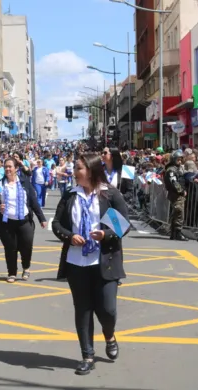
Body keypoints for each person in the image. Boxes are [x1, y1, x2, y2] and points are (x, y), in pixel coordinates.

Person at [51, 153, 128, 375]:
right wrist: (69, 236)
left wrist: (105, 234)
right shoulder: (70, 195)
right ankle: (87, 355)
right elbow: (57, 223)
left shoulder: (108, 194)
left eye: (79, 168)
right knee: (83, 309)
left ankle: (109, 335)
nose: (74, 172)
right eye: (75, 168)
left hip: (105, 261)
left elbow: (123, 225)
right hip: (77, 262)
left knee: (107, 309)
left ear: (91, 171)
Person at [0, 158, 47, 282]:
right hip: (6, 222)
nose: (7, 169)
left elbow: (33, 201)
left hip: (24, 221)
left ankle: (26, 268)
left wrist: (41, 218)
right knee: (10, 248)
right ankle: (12, 273)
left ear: (16, 168)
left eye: (10, 166)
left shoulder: (25, 182)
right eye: (6, 167)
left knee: (26, 246)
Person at [164, 150, 189, 241]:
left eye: (180, 159)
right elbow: (174, 182)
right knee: (179, 213)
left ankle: (174, 233)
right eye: (178, 159)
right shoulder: (171, 170)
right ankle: (177, 233)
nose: (179, 161)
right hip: (176, 194)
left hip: (176, 194)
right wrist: (182, 191)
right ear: (173, 159)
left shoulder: (176, 168)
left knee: (176, 213)